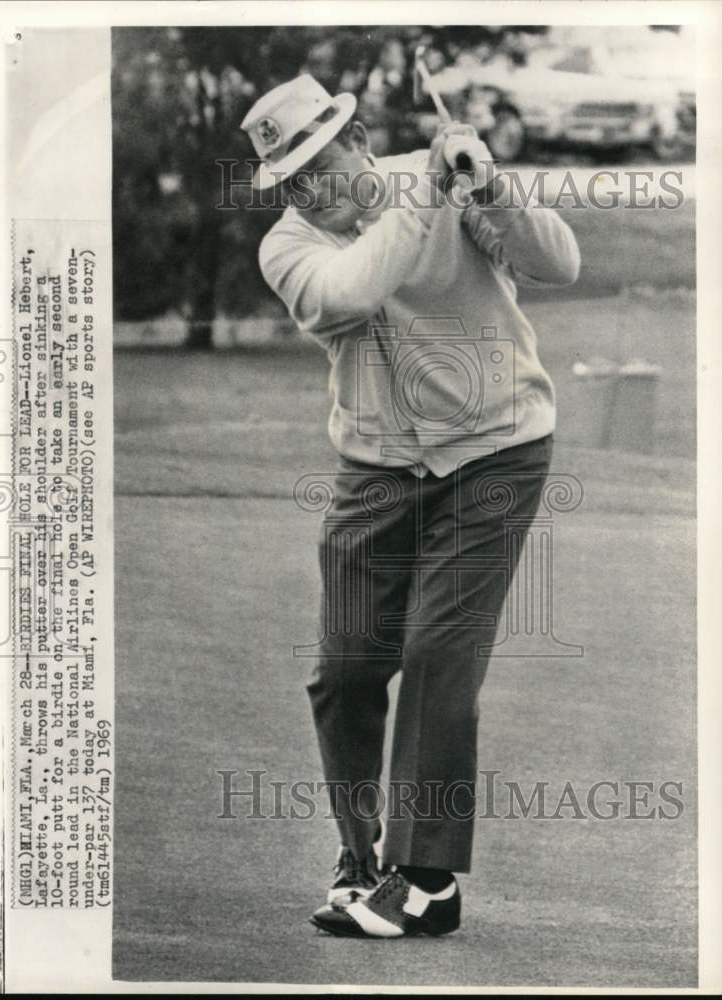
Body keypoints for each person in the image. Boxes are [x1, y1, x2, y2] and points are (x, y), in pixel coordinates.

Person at [240, 74, 580, 938]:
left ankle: (425, 881)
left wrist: (492, 187)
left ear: (359, 140)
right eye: (295, 179)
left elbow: (559, 262)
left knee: (437, 653)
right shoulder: (287, 249)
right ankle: (360, 860)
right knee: (346, 669)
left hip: (496, 449)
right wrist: (433, 193)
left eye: (326, 160)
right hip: (376, 467)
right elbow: (355, 288)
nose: (315, 186)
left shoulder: (444, 177)